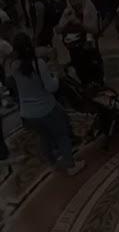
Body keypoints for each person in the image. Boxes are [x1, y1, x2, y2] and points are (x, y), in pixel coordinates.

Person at [11, 33, 86, 176]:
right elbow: (51, 88)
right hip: (45, 108)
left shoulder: (14, 66)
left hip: (27, 113)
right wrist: (55, 75)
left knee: (44, 137)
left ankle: (52, 163)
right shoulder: (38, 64)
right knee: (61, 135)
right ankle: (71, 166)